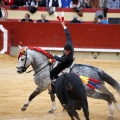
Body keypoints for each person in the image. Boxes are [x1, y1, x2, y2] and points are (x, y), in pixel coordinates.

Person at [48, 20, 74, 94]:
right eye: (65, 51)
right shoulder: (68, 43)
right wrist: (64, 26)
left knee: (52, 73)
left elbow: (62, 59)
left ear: (70, 50)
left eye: (67, 52)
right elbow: (68, 35)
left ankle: (54, 88)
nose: (66, 52)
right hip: (63, 58)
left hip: (67, 63)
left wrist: (53, 56)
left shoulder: (69, 56)